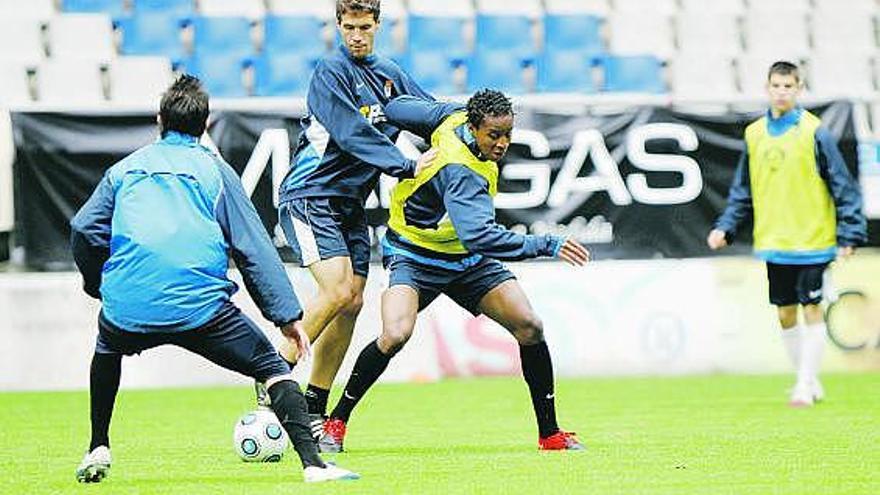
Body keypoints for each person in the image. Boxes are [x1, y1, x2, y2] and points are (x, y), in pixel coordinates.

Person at [70, 75, 358, 484]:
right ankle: (314, 465)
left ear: (159, 120)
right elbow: (252, 248)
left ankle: (98, 445)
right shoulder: (216, 171)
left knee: (107, 347)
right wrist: (287, 317)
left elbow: (84, 229)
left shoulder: (124, 170)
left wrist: (98, 284)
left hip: (128, 306)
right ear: (205, 125)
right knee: (273, 367)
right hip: (201, 308)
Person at [316, 89, 591, 453]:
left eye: (508, 133)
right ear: (474, 126)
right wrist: (546, 244)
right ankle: (336, 423)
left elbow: (397, 107)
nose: (502, 143)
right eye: (494, 135)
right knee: (395, 334)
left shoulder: (451, 118)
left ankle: (550, 435)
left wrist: (387, 112)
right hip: (414, 255)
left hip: (465, 261)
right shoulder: (462, 171)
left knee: (530, 326)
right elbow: (480, 236)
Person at [265, 0, 437, 439]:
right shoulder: (330, 72)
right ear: (338, 26)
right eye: (349, 27)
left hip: (348, 205)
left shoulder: (390, 74)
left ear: (378, 25)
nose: (356, 35)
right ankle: (271, 376)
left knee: (354, 299)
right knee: (338, 289)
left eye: (364, 27)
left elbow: (429, 115)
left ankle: (313, 404)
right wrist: (406, 165)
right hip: (310, 195)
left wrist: (466, 123)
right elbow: (351, 132)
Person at [707, 61, 867, 407]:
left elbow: (843, 185)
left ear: (799, 90)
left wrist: (850, 233)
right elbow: (742, 190)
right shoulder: (754, 134)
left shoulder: (815, 132)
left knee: (812, 308)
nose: (782, 92)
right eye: (776, 86)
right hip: (774, 242)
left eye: (788, 86)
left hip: (814, 240)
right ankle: (806, 378)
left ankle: (804, 386)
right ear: (767, 88)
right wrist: (726, 226)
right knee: (785, 314)